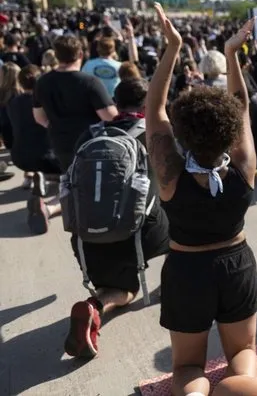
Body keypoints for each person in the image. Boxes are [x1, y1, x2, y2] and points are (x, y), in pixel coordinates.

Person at [146, 5, 257, 396]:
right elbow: (241, 105)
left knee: (189, 365)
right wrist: (231, 54)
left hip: (185, 270)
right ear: (229, 131)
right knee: (243, 351)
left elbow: (154, 109)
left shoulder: (169, 175)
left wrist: (173, 47)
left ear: (183, 132)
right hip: (236, 263)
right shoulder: (244, 167)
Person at [63, 78, 169, 358]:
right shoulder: (156, 133)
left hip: (88, 237)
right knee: (179, 220)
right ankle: (175, 282)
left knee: (121, 288)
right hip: (141, 234)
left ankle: (95, 306)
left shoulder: (90, 134)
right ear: (147, 104)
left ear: (117, 103)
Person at [32, 35, 117, 230]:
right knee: (89, 185)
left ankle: (50, 207)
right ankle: (57, 208)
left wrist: (55, 126)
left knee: (72, 178)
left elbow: (38, 117)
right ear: (80, 54)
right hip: (90, 142)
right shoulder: (90, 82)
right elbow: (110, 116)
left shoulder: (42, 82)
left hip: (59, 141)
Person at [6, 65, 62, 230]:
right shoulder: (46, 102)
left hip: (19, 157)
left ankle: (36, 176)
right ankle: (50, 203)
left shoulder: (13, 102)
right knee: (72, 175)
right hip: (48, 158)